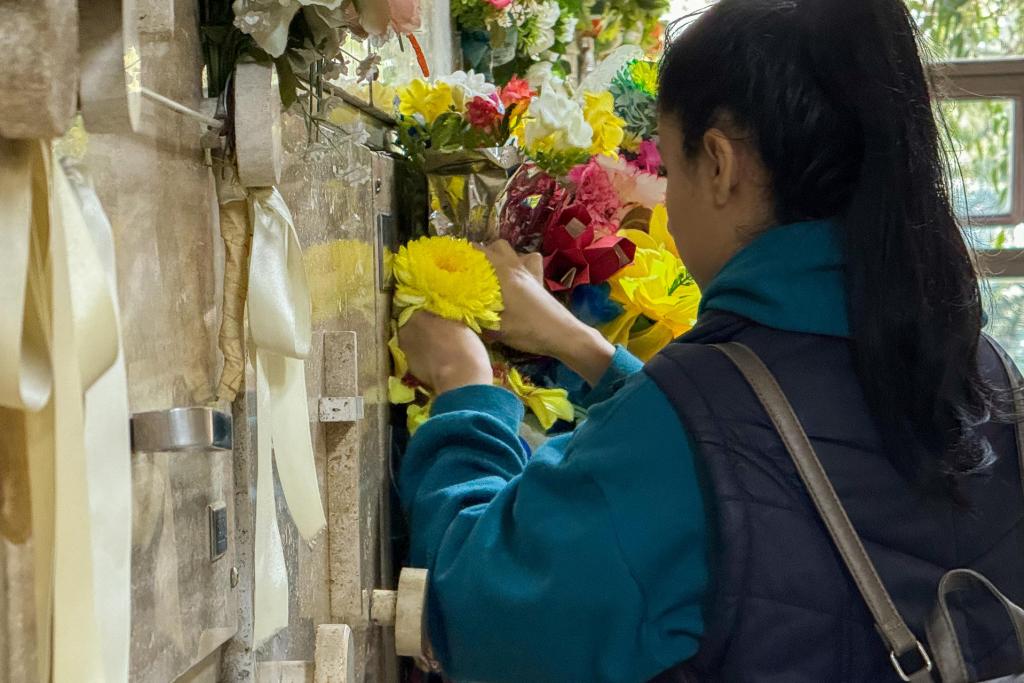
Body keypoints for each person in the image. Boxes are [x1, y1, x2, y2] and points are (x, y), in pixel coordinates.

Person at [396, 0, 1024, 680]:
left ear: (720, 164)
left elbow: (476, 610)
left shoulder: (677, 436)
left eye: (667, 165)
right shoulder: (989, 375)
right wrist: (588, 348)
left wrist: (465, 387)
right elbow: (777, 445)